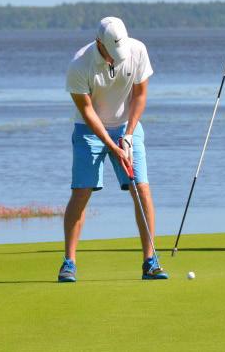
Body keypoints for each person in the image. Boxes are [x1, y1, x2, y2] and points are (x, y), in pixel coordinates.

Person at [59, 16, 168, 282]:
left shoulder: (137, 50)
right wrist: (111, 145)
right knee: (81, 192)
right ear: (100, 43)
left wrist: (128, 136)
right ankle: (69, 262)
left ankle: (150, 261)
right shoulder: (80, 64)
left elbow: (140, 95)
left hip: (126, 126)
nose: (117, 58)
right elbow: (87, 111)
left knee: (141, 189)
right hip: (89, 130)